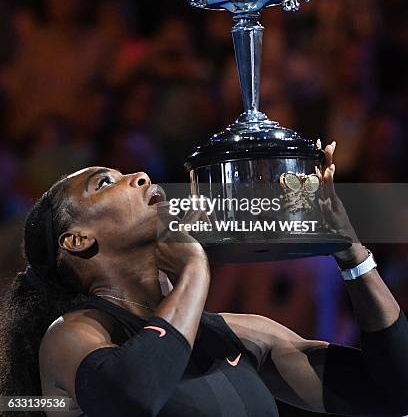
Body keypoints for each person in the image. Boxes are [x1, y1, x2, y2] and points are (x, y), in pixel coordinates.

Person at [0, 143, 407, 417]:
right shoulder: (72, 335)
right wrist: (193, 267)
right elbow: (131, 398)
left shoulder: (244, 334)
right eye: (105, 183)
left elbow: (395, 391)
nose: (140, 176)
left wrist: (352, 253)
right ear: (78, 240)